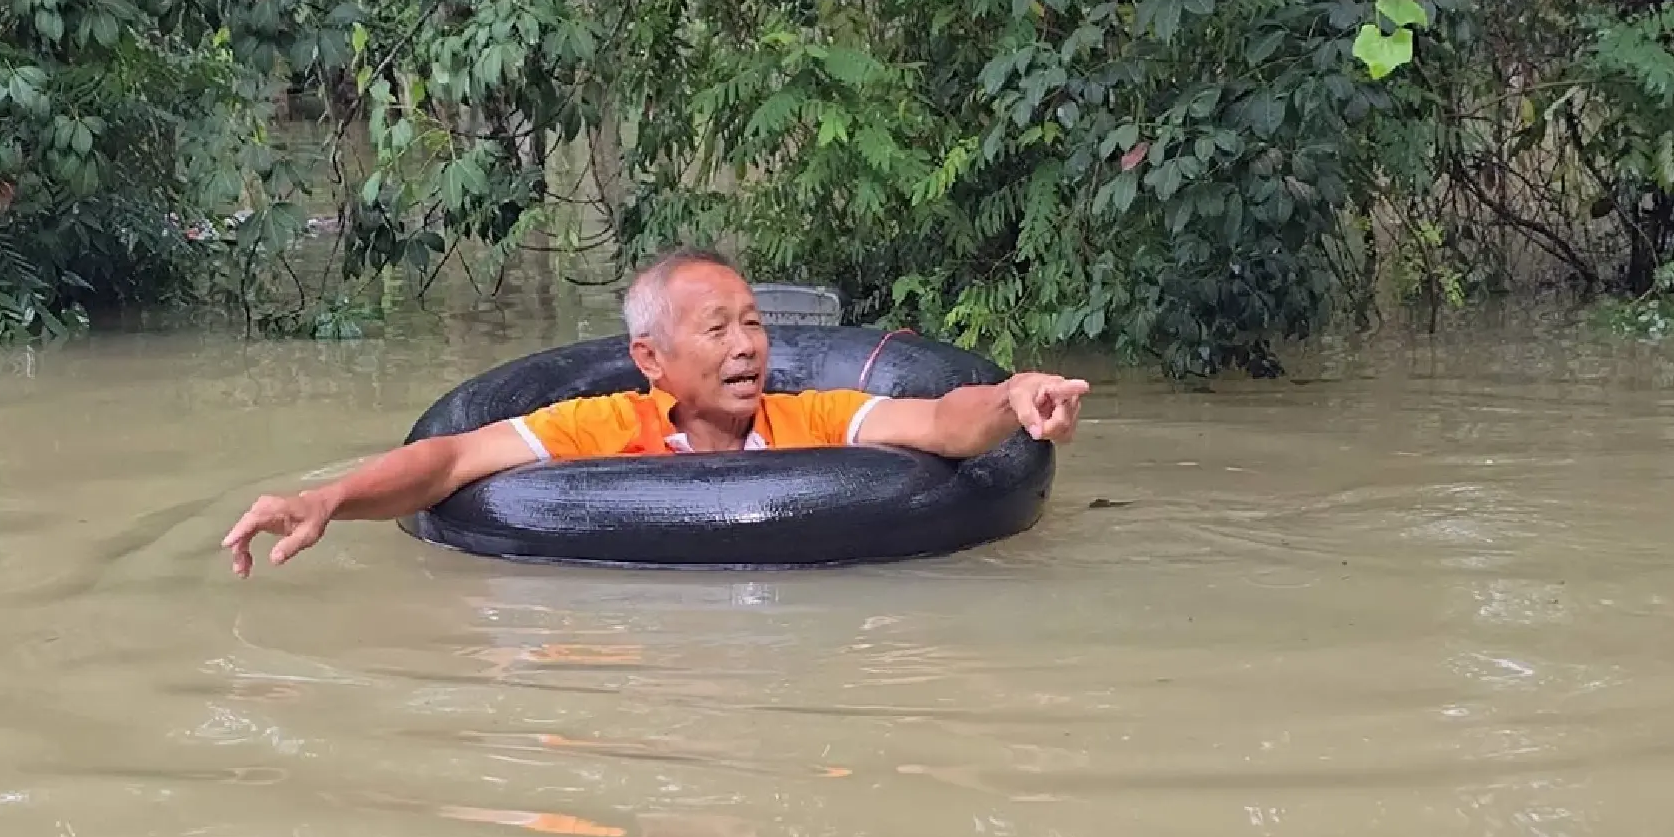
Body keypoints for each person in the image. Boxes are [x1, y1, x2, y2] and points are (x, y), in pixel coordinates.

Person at [222, 248, 1090, 576]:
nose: (748, 344)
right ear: (651, 359)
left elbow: (941, 424)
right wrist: (326, 499)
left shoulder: (812, 417)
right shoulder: (602, 428)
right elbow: (450, 460)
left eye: (753, 322)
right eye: (718, 328)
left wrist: (1014, 397)